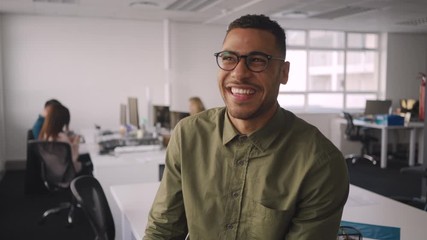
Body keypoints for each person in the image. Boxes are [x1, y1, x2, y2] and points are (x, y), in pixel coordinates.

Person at [144, 14, 349, 240]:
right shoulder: (188, 135)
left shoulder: (320, 161)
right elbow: (163, 230)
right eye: (229, 58)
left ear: (284, 72)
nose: (239, 73)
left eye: (258, 60)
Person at [38, 104, 92, 175]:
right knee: (91, 163)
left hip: (53, 173)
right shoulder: (62, 138)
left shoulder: (44, 135)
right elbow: (73, 158)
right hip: (67, 173)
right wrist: (76, 143)